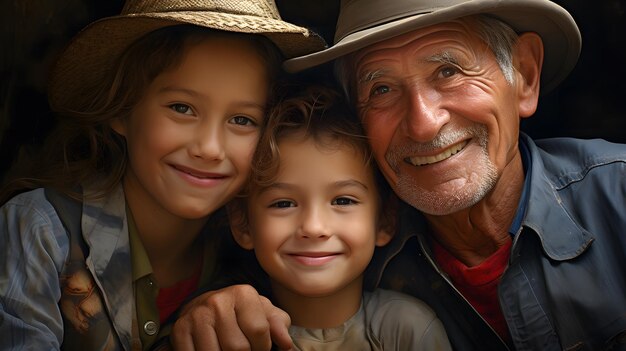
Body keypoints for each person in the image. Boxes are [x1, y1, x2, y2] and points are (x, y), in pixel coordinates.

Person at [169, 0, 626, 350]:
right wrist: (208, 311)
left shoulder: (618, 196)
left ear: (524, 77)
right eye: (382, 88)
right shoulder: (357, 252)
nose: (424, 122)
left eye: (449, 70)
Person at [0, 0, 326, 350]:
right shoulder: (39, 231)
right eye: (181, 108)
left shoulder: (257, 255)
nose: (210, 148)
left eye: (242, 120)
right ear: (122, 109)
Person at [226, 86, 451, 350]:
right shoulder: (230, 334)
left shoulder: (407, 330)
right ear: (243, 224)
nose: (313, 227)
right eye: (283, 203)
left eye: (343, 201)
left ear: (385, 220)